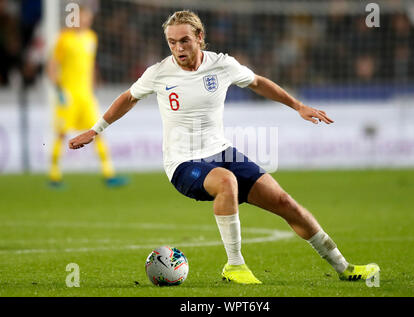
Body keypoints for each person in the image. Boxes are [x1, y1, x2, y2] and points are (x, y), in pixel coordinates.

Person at [69, 10, 379, 284]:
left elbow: (257, 82)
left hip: (222, 152)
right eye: (172, 42)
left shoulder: (222, 65)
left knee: (286, 202)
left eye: (184, 41)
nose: (178, 48)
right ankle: (235, 265)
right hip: (182, 163)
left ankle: (344, 267)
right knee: (226, 182)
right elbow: (128, 97)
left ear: (199, 37)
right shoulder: (159, 73)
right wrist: (96, 130)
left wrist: (297, 106)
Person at [46, 6, 126, 188]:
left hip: (86, 96)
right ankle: (54, 177)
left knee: (97, 131)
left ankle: (108, 174)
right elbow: (51, 66)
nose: (86, 22)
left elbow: (89, 65)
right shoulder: (64, 38)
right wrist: (59, 91)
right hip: (68, 96)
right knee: (61, 134)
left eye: (88, 19)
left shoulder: (91, 38)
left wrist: (94, 84)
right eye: (82, 18)